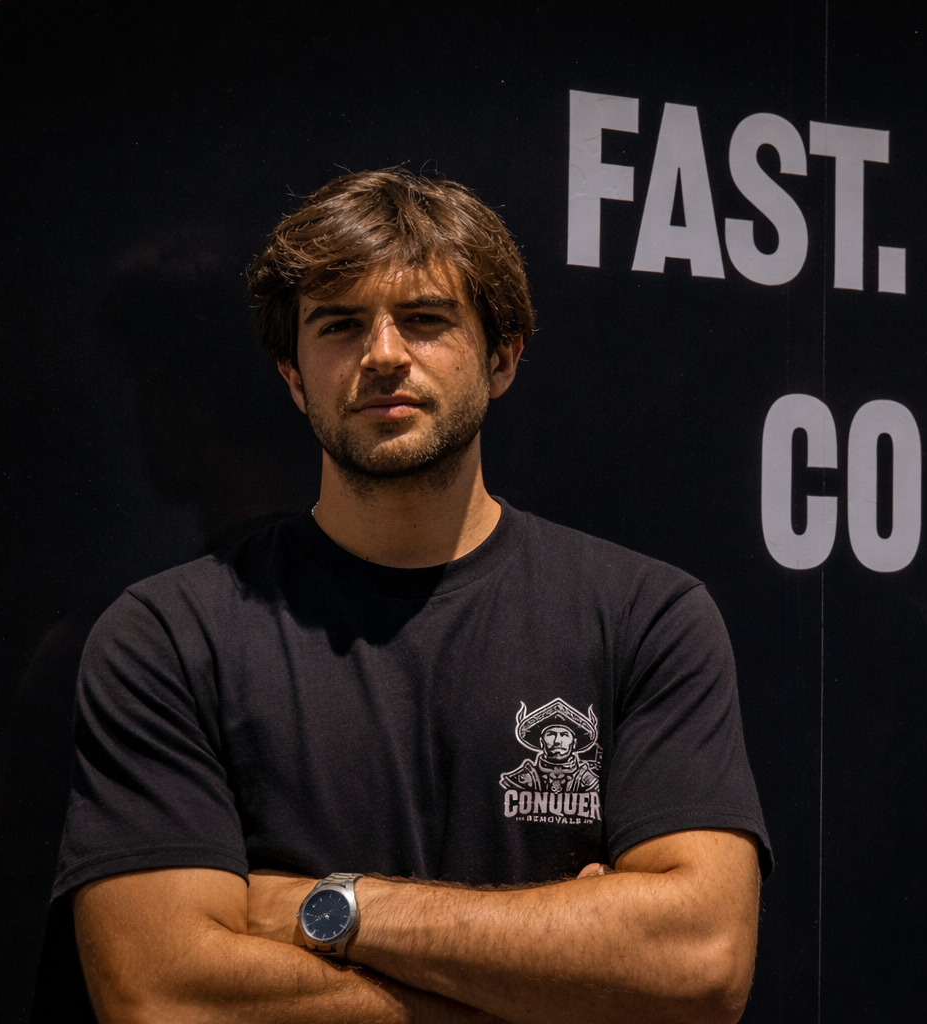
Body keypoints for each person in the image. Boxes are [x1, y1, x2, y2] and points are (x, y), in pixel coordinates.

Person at [48, 168, 771, 1024]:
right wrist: (554, 979)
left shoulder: (647, 618)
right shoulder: (168, 637)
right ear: (292, 376)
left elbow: (700, 963)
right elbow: (164, 995)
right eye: (341, 325)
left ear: (501, 358)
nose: (383, 354)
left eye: (425, 321)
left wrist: (325, 908)